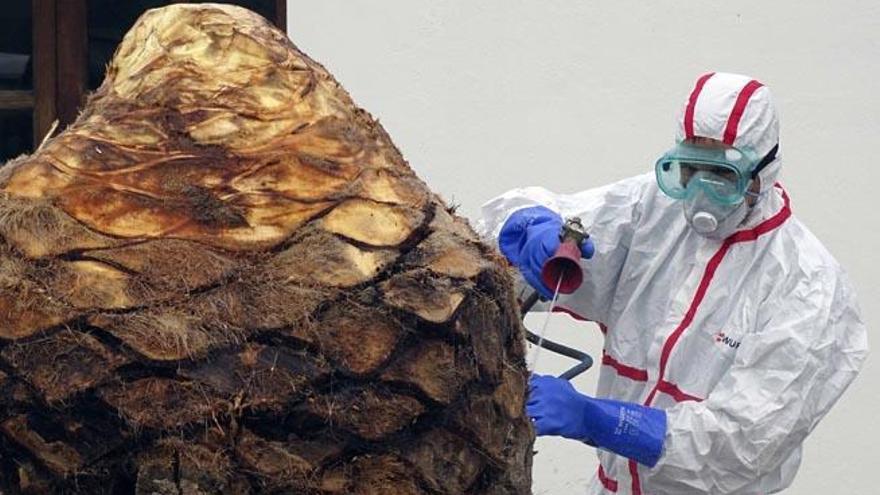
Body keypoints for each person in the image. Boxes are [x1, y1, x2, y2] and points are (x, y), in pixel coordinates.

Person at [478, 72, 868, 494]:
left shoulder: (808, 286)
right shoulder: (654, 208)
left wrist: (597, 419)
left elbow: (742, 444)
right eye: (689, 169)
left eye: (721, 175)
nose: (700, 192)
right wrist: (528, 227)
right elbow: (551, 227)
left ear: (764, 168)